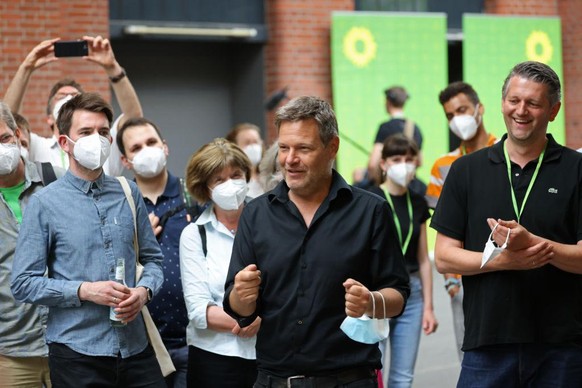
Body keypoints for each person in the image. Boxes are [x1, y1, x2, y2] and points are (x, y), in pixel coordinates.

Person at [224, 96, 410, 387]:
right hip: (274, 380)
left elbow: (398, 295)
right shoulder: (256, 214)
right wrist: (241, 296)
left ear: (331, 147)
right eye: (284, 148)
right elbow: (239, 309)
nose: (289, 159)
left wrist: (370, 301)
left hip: (350, 379)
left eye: (303, 148)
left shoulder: (371, 211)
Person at [431, 61, 582, 387]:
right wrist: (504, 260)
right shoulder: (465, 171)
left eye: (534, 103)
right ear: (502, 103)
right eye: (514, 100)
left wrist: (536, 246)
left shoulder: (576, 169)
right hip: (487, 347)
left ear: (553, 110)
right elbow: (444, 256)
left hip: (562, 347)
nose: (521, 111)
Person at [10, 93, 166, 387]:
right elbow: (23, 282)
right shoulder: (44, 202)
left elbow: (154, 260)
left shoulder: (127, 192)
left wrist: (144, 292)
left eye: (103, 132)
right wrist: (84, 290)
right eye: (86, 132)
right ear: (65, 143)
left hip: (135, 349)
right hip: (76, 353)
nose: (98, 139)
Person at [117, 117, 200, 388]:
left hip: (195, 340)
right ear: (125, 161)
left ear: (165, 147)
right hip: (142, 344)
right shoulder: (118, 205)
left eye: (151, 142)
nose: (146, 150)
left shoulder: (194, 197)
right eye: (136, 148)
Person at [425, 81, 497, 361]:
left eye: (462, 110)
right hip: (463, 281)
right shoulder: (442, 167)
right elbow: (441, 229)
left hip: (506, 272)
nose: (457, 119)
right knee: (471, 363)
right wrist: (451, 282)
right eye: (450, 115)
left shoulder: (508, 151)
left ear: (480, 109)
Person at [180, 138, 259, 387]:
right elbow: (198, 309)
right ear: (206, 188)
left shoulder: (270, 223)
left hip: (270, 354)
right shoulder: (195, 234)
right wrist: (245, 322)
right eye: (219, 180)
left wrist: (263, 320)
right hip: (214, 359)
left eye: (236, 175)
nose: (230, 185)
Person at [3, 36, 141, 175]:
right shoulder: (37, 147)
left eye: (75, 96)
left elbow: (134, 120)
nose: (68, 98)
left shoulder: (102, 142)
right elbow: (6, 120)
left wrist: (112, 68)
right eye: (61, 97)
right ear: (50, 118)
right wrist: (26, 68)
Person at [368, 134, 438, 388]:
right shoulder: (369, 199)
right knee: (374, 372)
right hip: (377, 293)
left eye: (409, 159)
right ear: (384, 164)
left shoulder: (418, 202)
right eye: (397, 159)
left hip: (412, 294)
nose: (404, 165)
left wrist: (429, 306)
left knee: (403, 377)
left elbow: (423, 259)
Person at [0, 102, 55, 387]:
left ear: (17, 133)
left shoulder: (57, 181)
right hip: (10, 354)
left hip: (69, 345)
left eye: (4, 138)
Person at [367, 86, 423, 186]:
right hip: (411, 185)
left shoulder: (385, 127)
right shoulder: (415, 128)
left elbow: (372, 164)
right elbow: (420, 162)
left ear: (388, 102)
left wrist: (376, 183)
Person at [225, 122, 264, 197]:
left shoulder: (269, 175)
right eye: (247, 143)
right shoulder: (229, 180)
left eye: (256, 142)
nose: (253, 147)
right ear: (234, 147)